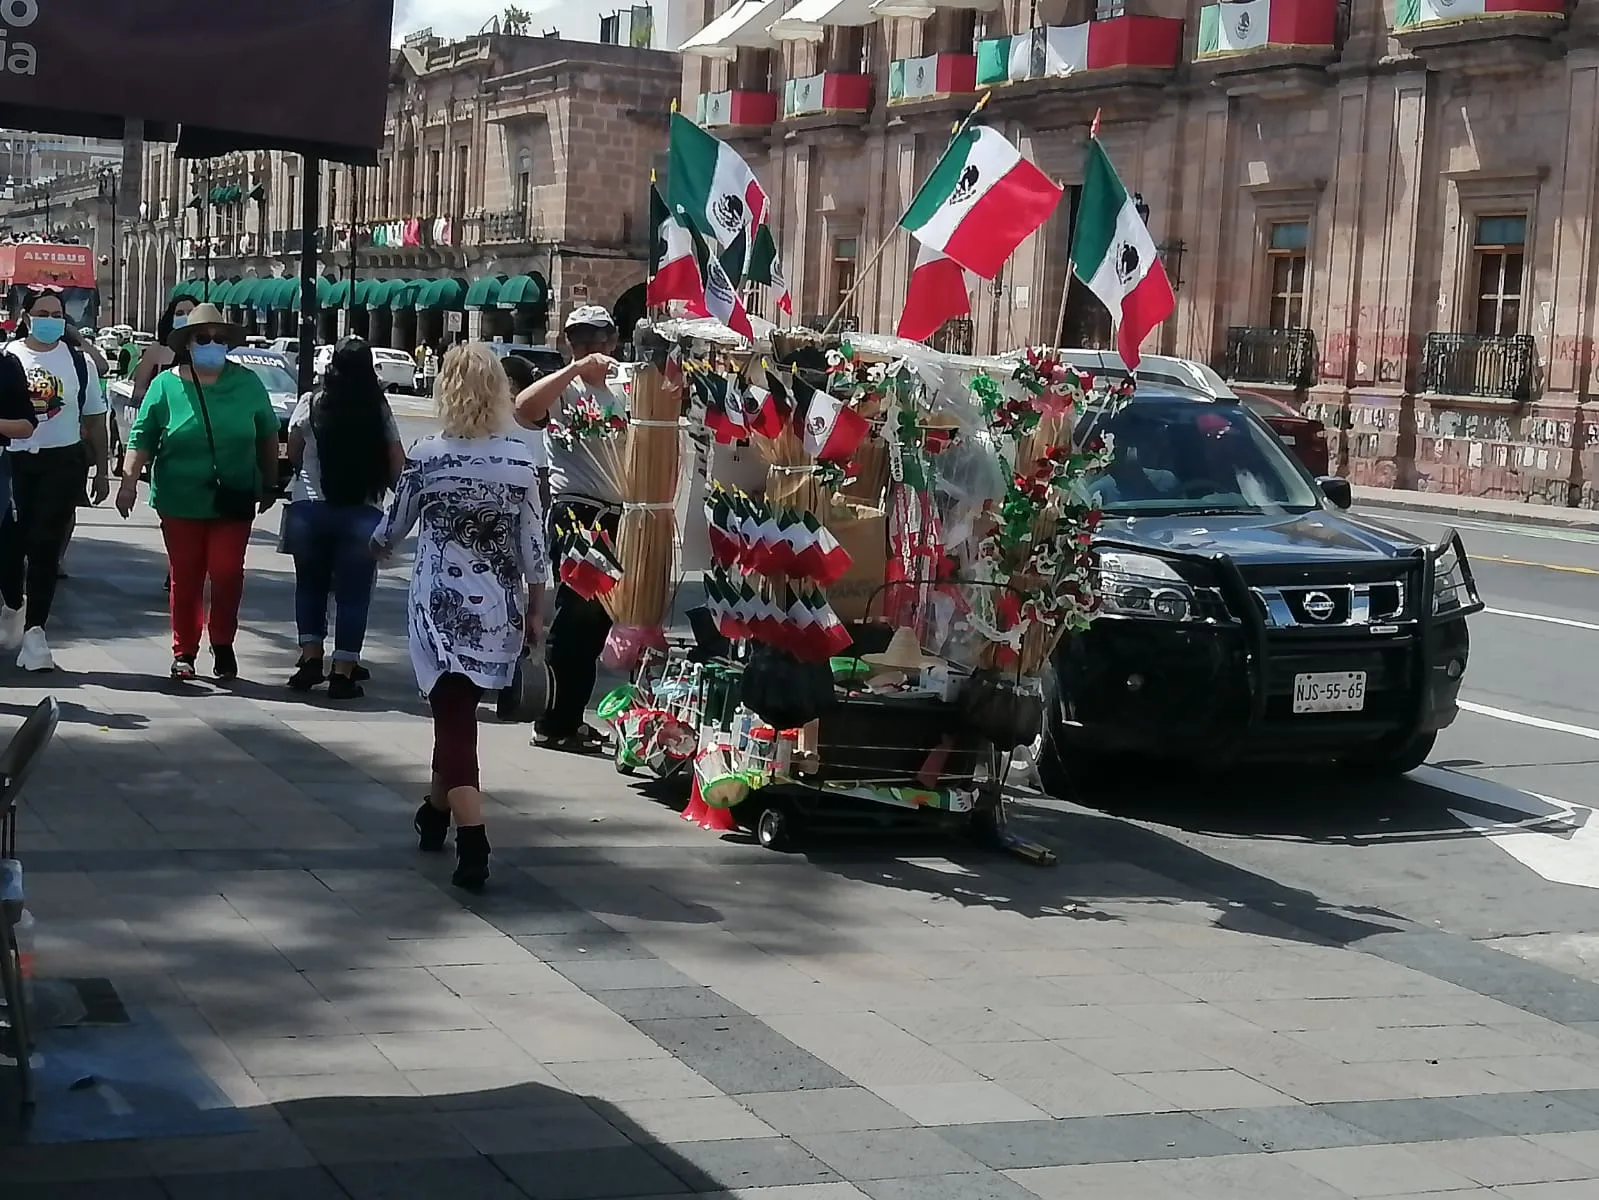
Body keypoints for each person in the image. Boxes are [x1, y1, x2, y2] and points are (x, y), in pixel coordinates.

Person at [372, 343, 548, 891]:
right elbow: (536, 553)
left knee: (454, 719)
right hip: (500, 609)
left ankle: (473, 838)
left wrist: (372, 550)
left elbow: (390, 530)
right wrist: (537, 615)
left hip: (437, 609)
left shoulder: (427, 456)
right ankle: (434, 810)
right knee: (456, 713)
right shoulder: (523, 462)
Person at [117, 303, 279, 681]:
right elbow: (142, 438)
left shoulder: (248, 383)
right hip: (179, 499)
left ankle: (222, 641)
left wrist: (270, 481)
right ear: (188, 343)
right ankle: (184, 651)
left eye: (219, 339)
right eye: (202, 338)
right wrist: (127, 482)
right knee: (185, 575)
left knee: (226, 572)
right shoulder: (165, 385)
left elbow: (268, 434)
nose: (211, 344)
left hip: (234, 497)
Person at [512, 306, 621, 753]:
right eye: (579, 341)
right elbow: (523, 408)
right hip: (576, 511)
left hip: (618, 512)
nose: (589, 349)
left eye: (596, 340)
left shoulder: (626, 386)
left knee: (597, 622)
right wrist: (573, 368)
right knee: (576, 614)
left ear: (612, 340)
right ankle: (552, 719)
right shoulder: (563, 387)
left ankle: (572, 718)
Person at [284, 337, 405, 699]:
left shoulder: (311, 402)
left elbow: (293, 451)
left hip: (310, 509)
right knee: (354, 596)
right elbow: (397, 462)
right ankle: (343, 670)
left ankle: (309, 659)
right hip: (361, 513)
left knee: (310, 586)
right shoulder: (378, 409)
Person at [0, 288, 112, 671]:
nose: (50, 320)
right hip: (12, 462)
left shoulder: (79, 362)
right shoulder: (9, 357)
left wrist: (102, 469)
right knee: (11, 546)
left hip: (62, 462)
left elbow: (95, 419)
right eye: (42, 312)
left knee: (46, 546)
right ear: (27, 316)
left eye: (57, 314)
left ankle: (36, 634)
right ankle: (13, 604)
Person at [499, 354, 552, 517]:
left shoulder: (502, 416)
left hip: (511, 489)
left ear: (509, 383)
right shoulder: (546, 411)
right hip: (541, 486)